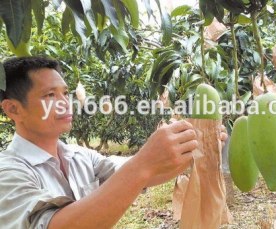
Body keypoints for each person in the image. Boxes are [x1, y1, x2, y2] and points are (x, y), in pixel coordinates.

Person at [0, 56, 228, 228]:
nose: (64, 103)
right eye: (50, 95)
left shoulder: (79, 156)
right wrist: (145, 163)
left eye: (65, 93)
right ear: (13, 109)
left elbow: (147, 173)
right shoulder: (8, 172)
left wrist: (194, 145)